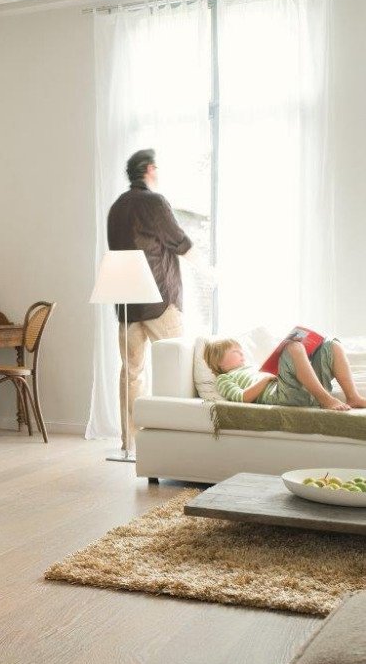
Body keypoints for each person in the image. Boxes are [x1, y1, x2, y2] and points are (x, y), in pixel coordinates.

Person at [106, 148, 194, 452]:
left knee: (131, 373)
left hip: (127, 305)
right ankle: (177, 439)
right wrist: (208, 269)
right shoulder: (154, 202)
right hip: (160, 300)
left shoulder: (117, 207)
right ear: (150, 169)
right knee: (176, 368)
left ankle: (130, 441)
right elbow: (179, 241)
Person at [203, 337, 366, 411]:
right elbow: (242, 398)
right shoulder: (224, 378)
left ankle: (353, 397)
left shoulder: (250, 367)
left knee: (331, 345)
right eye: (235, 351)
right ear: (219, 362)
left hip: (299, 389)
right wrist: (266, 379)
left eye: (240, 350)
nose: (241, 353)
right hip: (282, 395)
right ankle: (326, 400)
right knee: (292, 346)